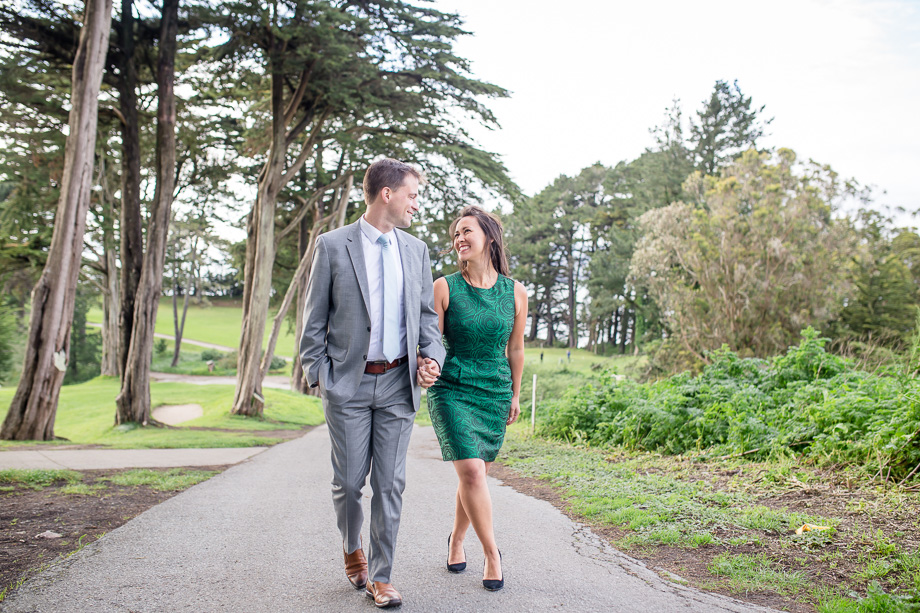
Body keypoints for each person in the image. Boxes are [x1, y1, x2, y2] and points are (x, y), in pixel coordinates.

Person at [299, 158, 445, 609]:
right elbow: (313, 323)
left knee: (390, 483)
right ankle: (351, 546)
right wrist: (321, 376)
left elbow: (426, 320)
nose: (416, 204)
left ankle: (381, 576)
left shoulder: (416, 251)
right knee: (347, 481)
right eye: (412, 194)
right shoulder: (332, 246)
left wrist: (432, 359)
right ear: (387, 194)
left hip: (400, 385)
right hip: (349, 386)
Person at [425, 205, 527, 591]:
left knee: (476, 474)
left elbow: (515, 349)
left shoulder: (515, 292)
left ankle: (456, 540)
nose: (459, 239)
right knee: (470, 470)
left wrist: (515, 394)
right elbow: (431, 342)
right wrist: (425, 367)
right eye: (455, 235)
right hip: (452, 388)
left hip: (494, 390)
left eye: (466, 231)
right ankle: (492, 553)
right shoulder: (444, 286)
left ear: (489, 237)